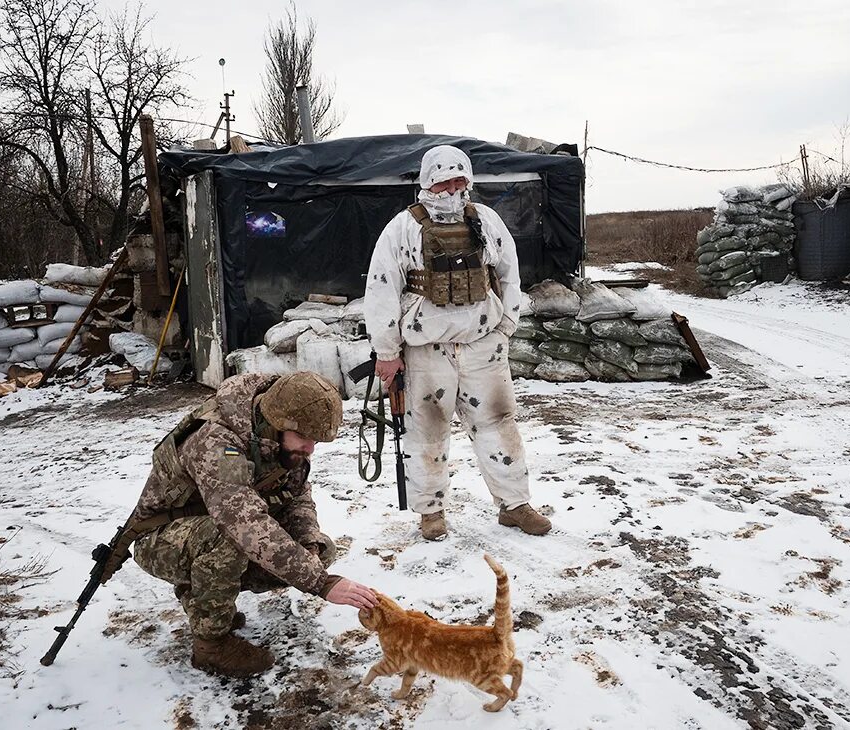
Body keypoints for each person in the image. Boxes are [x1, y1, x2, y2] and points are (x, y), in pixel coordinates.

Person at [126, 371, 378, 678]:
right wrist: (321, 584)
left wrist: (308, 541)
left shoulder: (273, 438)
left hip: (208, 525)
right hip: (158, 537)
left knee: (318, 551)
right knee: (232, 540)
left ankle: (203, 595)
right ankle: (210, 646)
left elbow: (296, 495)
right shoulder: (217, 442)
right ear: (276, 423)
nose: (310, 448)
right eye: (304, 438)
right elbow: (244, 524)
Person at [363, 144, 552, 541]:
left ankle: (514, 504)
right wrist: (387, 352)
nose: (452, 188)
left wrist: (506, 326)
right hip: (426, 348)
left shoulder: (486, 220)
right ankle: (431, 512)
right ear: (428, 181)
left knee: (499, 424)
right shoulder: (403, 228)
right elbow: (381, 289)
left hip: (483, 344)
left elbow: (509, 272)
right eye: (444, 180)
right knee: (427, 430)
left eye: (459, 179)